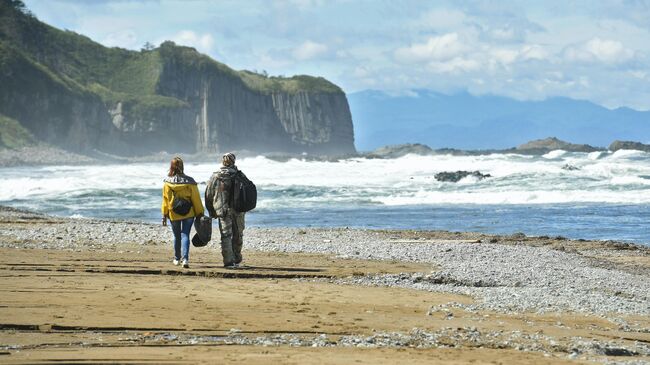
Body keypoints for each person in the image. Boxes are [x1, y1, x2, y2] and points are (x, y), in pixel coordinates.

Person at [205, 152, 246, 268]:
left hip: (221, 210)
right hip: (238, 210)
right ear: (234, 161)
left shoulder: (215, 176)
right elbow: (248, 191)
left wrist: (211, 211)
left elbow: (208, 194)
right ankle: (237, 259)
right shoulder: (240, 175)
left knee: (226, 235)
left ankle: (228, 261)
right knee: (238, 234)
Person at [161, 156, 204, 268]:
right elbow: (196, 199)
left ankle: (176, 258)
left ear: (171, 167)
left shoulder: (167, 183)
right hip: (188, 213)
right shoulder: (190, 182)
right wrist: (200, 213)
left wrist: (164, 215)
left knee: (176, 236)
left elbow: (165, 200)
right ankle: (185, 259)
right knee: (185, 235)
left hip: (173, 213)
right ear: (182, 166)